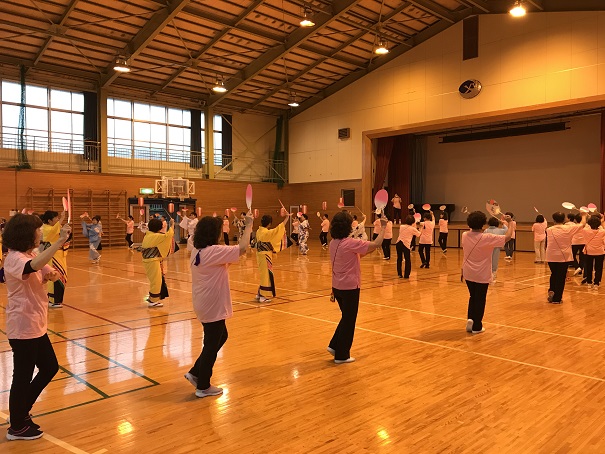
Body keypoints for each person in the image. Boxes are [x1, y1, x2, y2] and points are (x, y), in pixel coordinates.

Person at [2, 214, 71, 440]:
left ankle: (21, 412)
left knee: (50, 367)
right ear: (26, 234)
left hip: (36, 324)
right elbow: (33, 266)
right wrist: (59, 242)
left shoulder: (28, 254)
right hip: (23, 325)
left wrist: (50, 275)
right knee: (22, 376)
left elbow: (43, 269)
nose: (40, 233)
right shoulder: (14, 259)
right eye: (38, 230)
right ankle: (17, 427)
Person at [184, 214, 253, 398]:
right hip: (212, 305)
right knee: (211, 344)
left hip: (203, 303)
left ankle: (196, 372)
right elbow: (243, 248)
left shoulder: (196, 249)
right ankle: (203, 386)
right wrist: (249, 225)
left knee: (221, 336)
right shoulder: (213, 251)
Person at [328, 211, 386, 364]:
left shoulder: (333, 243)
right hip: (350, 287)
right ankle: (342, 355)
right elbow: (377, 244)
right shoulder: (350, 243)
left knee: (346, 317)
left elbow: (356, 255)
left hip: (337, 287)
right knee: (349, 320)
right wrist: (384, 228)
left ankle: (334, 345)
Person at [461, 211, 513, 334]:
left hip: (468, 272)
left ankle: (471, 320)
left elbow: (472, 229)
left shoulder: (464, 235)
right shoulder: (487, 237)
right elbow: (508, 236)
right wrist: (510, 223)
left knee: (473, 297)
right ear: (483, 224)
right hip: (481, 274)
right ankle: (477, 326)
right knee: (480, 299)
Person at [546, 211, 587, 304]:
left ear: (553, 220)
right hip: (563, 257)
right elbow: (582, 224)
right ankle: (557, 298)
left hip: (551, 256)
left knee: (554, 274)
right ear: (564, 219)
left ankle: (551, 290)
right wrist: (584, 215)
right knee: (561, 277)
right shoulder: (569, 228)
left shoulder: (549, 229)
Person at [255, 212, 291, 303]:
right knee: (266, 275)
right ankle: (263, 296)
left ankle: (259, 293)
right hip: (265, 255)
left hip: (260, 255)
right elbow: (278, 230)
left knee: (264, 274)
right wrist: (287, 218)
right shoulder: (266, 233)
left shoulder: (259, 231)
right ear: (269, 223)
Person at [141, 217, 175, 308]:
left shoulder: (148, 235)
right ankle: (153, 300)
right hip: (152, 261)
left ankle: (153, 298)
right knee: (156, 281)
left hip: (150, 261)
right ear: (159, 228)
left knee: (155, 280)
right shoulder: (156, 236)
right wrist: (172, 225)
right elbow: (168, 235)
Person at [40, 210, 69, 308]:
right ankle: (52, 300)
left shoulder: (55, 227)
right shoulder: (46, 228)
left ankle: (57, 300)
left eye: (58, 218)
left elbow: (63, 236)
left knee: (62, 277)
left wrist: (68, 230)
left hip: (61, 255)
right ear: (49, 220)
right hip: (53, 257)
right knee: (54, 276)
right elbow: (53, 233)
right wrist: (62, 219)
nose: (57, 220)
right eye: (56, 218)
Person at [581, 215, 605, 289]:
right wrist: (603, 218)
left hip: (589, 251)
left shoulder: (586, 230)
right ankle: (596, 283)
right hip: (600, 252)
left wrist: (586, 216)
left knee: (588, 267)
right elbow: (601, 226)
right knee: (598, 268)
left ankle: (589, 282)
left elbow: (585, 224)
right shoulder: (602, 231)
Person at [485, 217, 507, 284]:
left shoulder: (486, 230)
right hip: (497, 248)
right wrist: (503, 223)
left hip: (487, 248)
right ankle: (493, 277)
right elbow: (506, 229)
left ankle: (487, 277)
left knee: (488, 261)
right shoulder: (500, 230)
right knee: (495, 261)